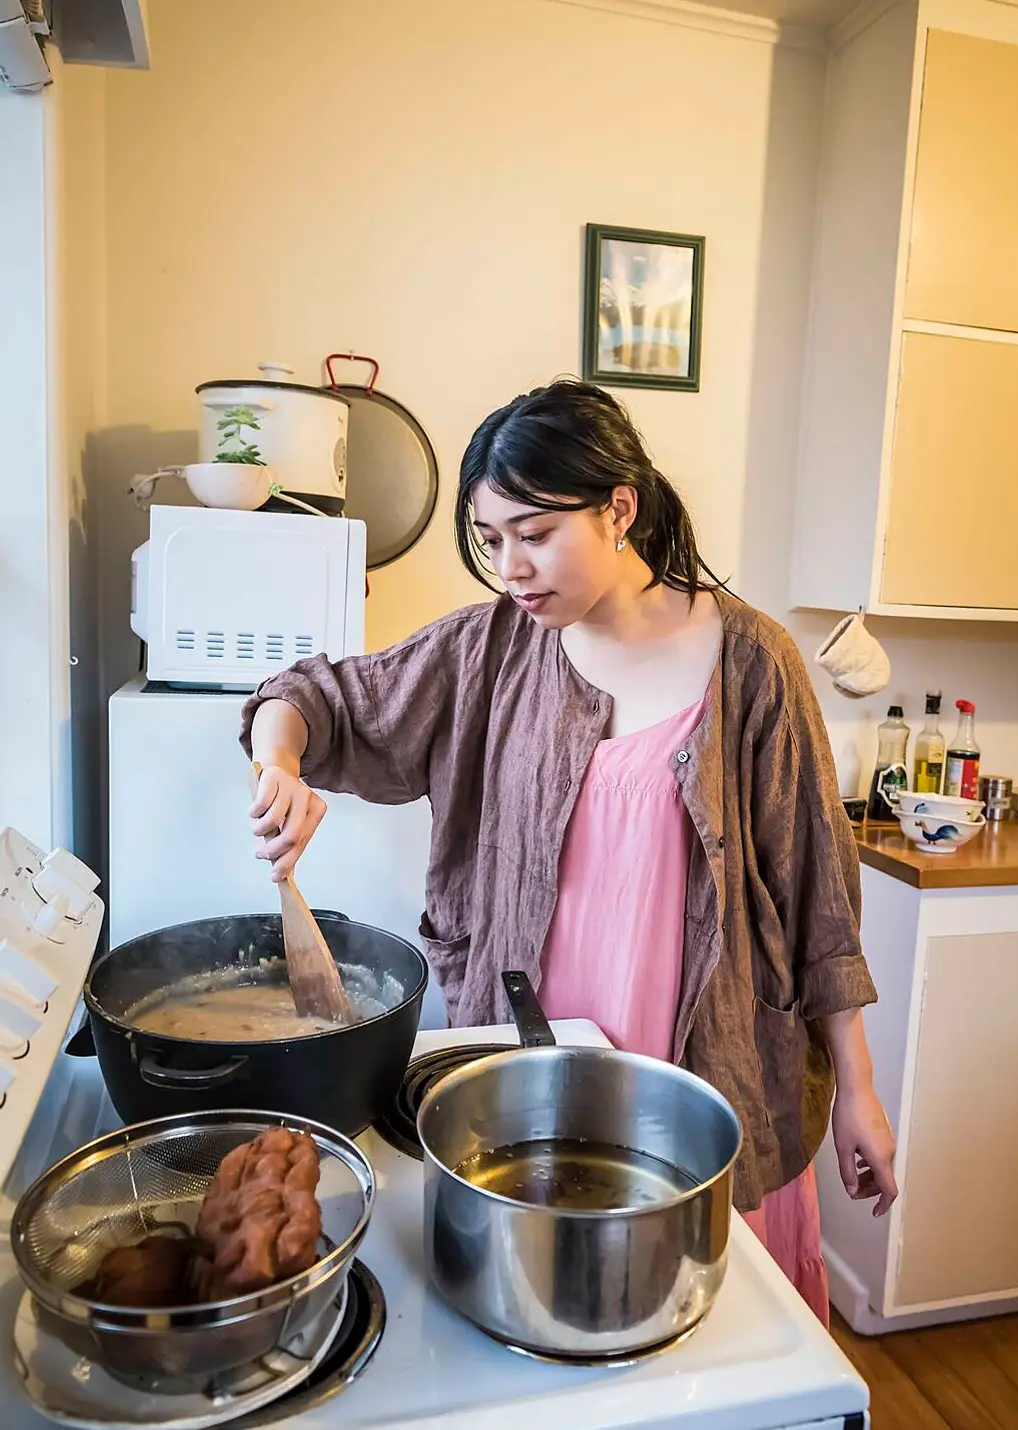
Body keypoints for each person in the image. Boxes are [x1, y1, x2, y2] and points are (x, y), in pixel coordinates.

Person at [240, 379, 897, 1327]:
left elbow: (818, 897)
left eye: (536, 534)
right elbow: (311, 696)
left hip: (706, 1073)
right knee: (536, 1312)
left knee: (704, 1331)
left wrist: (859, 1091)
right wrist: (279, 763)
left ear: (618, 509)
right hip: (522, 1072)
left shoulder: (752, 662)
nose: (510, 567)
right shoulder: (486, 652)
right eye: (490, 540)